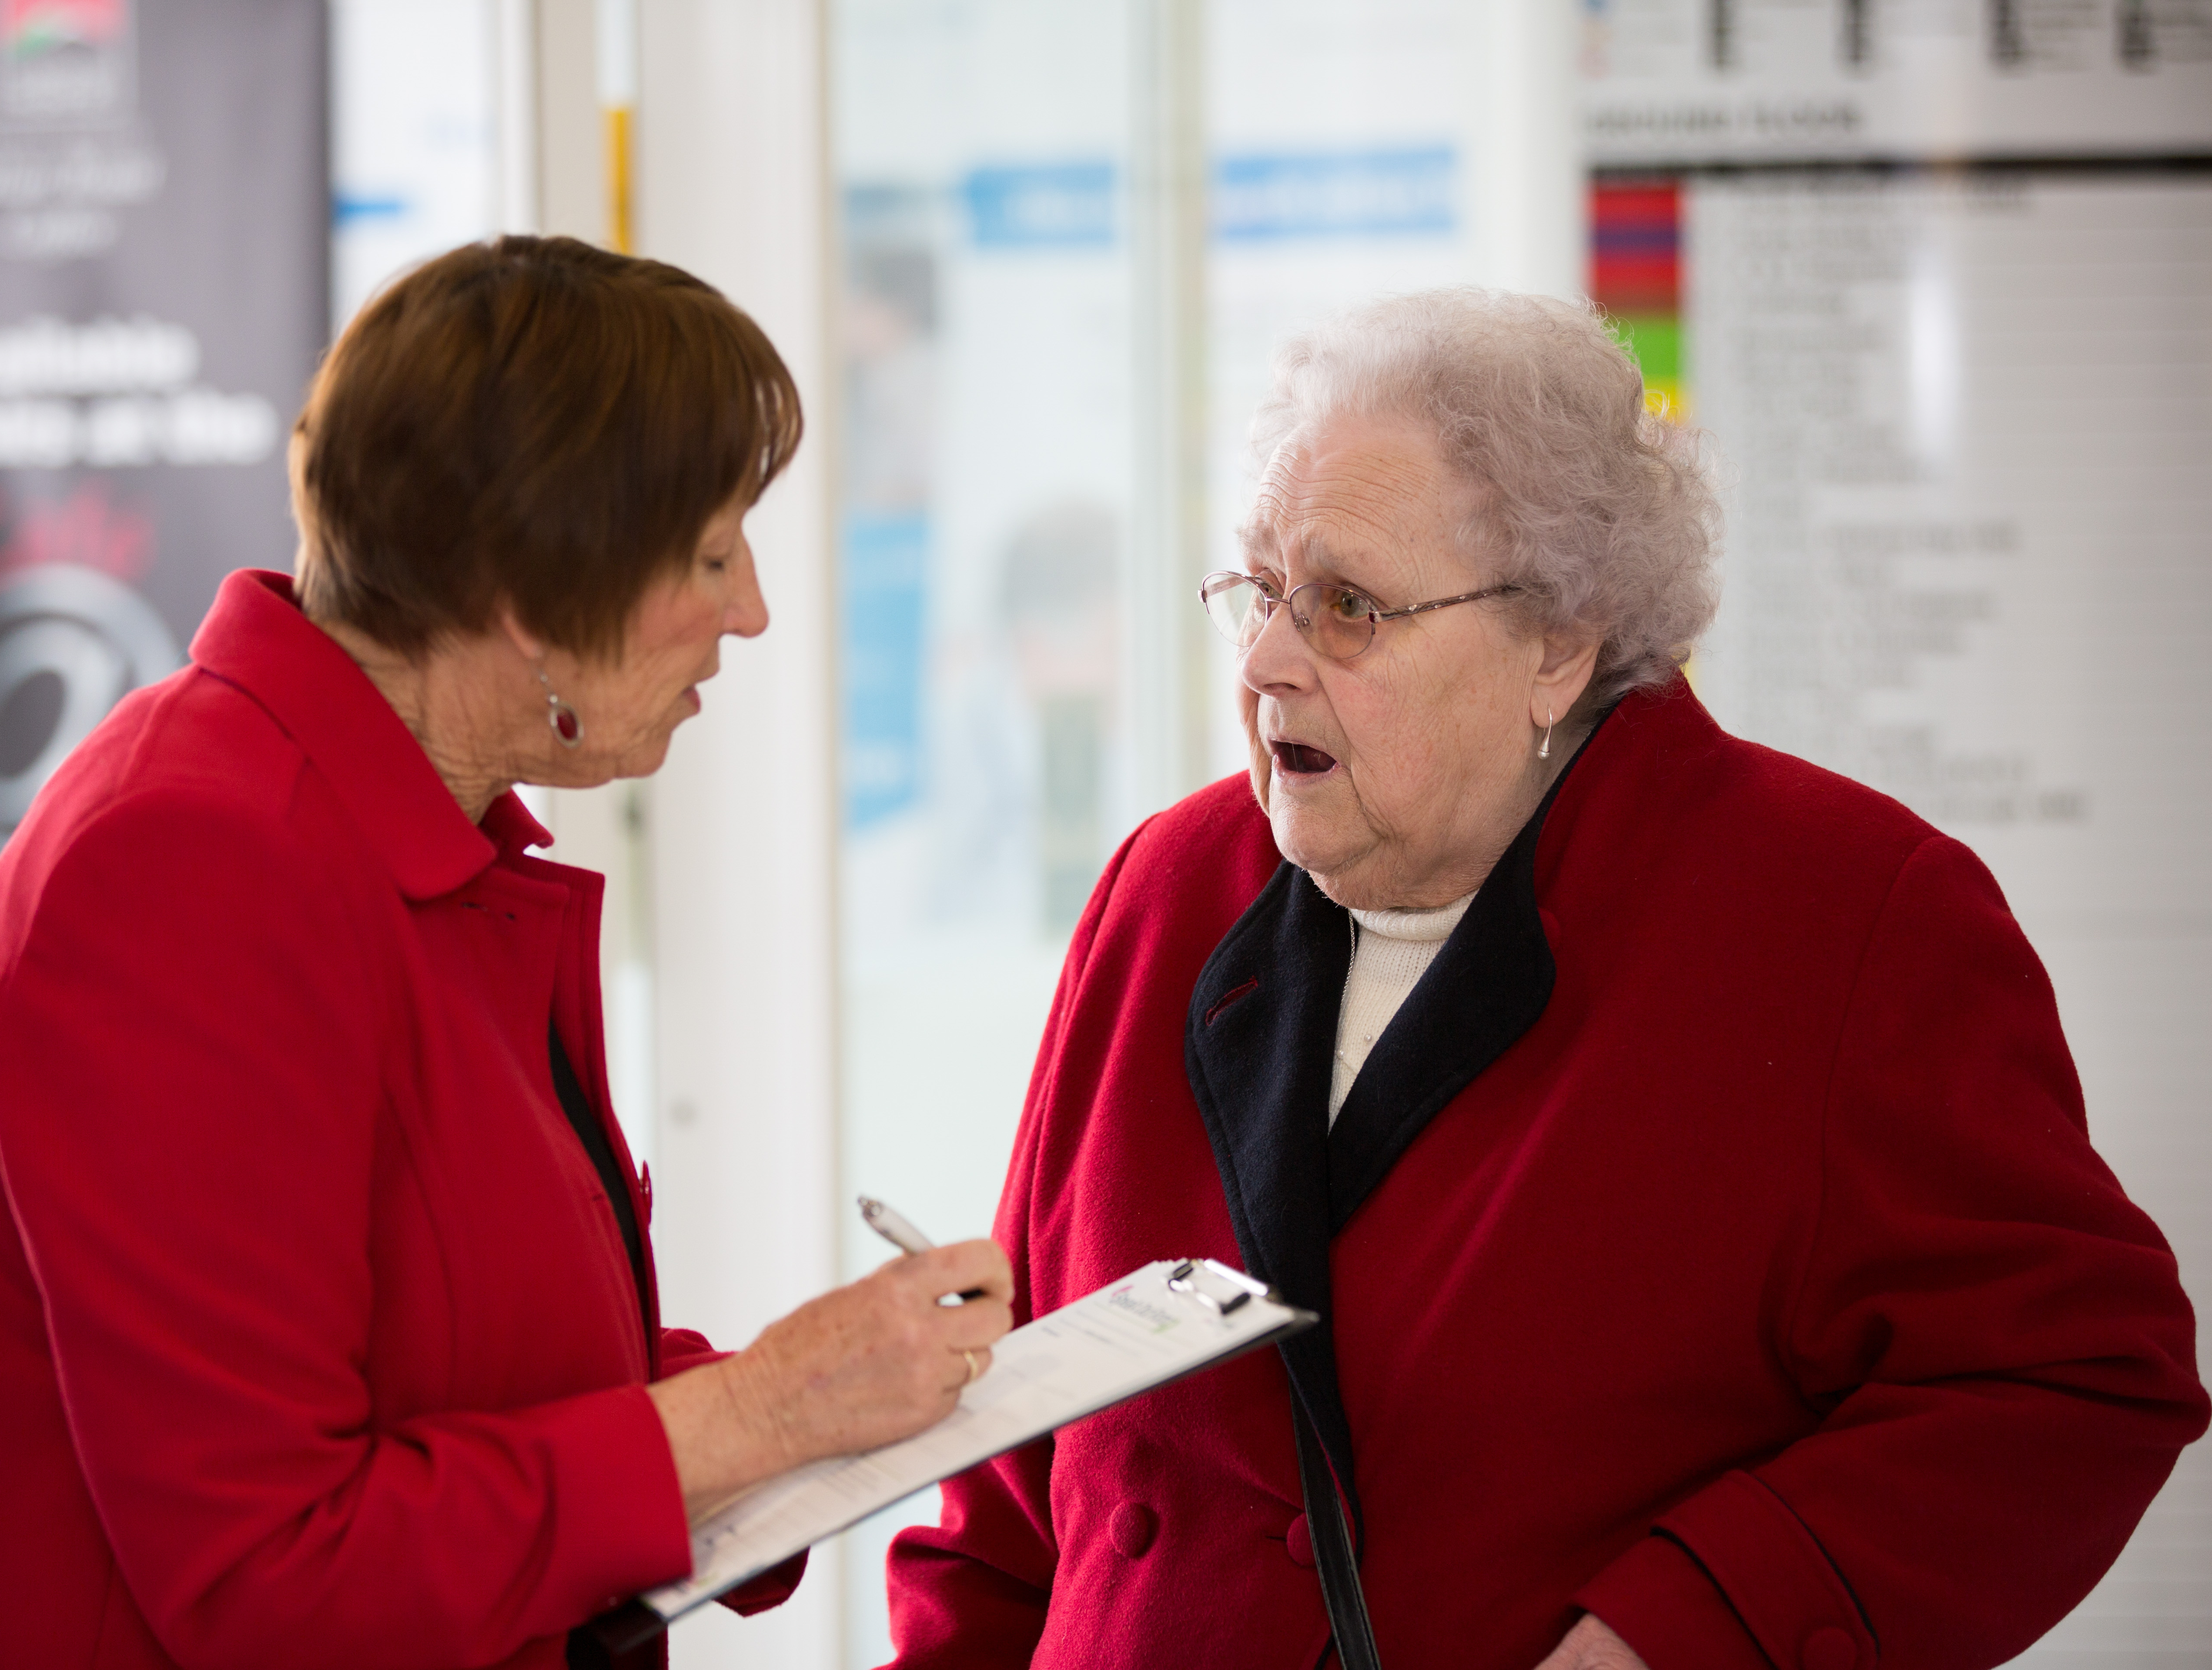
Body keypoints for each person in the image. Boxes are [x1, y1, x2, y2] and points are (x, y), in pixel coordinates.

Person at [883, 290, 2207, 1670]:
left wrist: (1690, 1629)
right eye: (1260, 592)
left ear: (1557, 647)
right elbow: (1007, 1490)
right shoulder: (1162, 892)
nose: (1269, 663)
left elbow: (2073, 1380)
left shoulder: (1838, 914)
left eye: (1347, 608)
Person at [0, 236, 1013, 1670]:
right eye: (709, 554)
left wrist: (840, 1394)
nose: (749, 609)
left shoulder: (405, 840)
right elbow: (269, 1575)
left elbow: (478, 1390)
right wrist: (763, 1411)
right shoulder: (185, 874)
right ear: (527, 597)